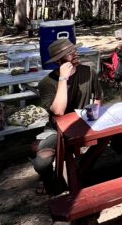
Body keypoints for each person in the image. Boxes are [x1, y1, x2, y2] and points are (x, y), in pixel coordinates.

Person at [33, 38, 102, 194]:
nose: (75, 53)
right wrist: (63, 79)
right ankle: (51, 184)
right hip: (57, 129)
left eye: (74, 49)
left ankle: (78, 175)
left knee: (105, 139)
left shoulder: (88, 72)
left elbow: (98, 97)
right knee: (41, 163)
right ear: (58, 60)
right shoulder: (47, 83)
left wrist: (95, 114)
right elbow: (58, 111)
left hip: (86, 124)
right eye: (69, 52)